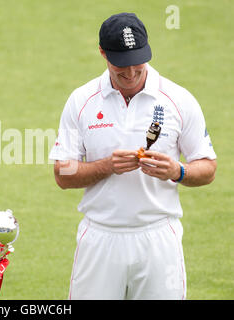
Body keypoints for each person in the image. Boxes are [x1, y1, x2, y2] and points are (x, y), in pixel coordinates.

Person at [49, 12, 217, 300]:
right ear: (102, 53)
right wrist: (106, 166)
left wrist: (178, 171)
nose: (130, 75)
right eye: (120, 67)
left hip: (158, 238)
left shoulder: (179, 100)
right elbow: (62, 174)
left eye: (137, 66)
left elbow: (208, 167)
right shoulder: (81, 100)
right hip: (100, 238)